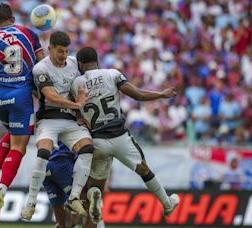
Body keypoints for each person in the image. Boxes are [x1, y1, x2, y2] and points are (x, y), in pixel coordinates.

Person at [71, 47, 180, 226]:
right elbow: (137, 95)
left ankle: (94, 195)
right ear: (97, 61)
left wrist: (79, 118)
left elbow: (71, 109)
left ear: (81, 65)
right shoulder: (112, 74)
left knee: (95, 186)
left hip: (96, 140)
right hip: (120, 138)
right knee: (144, 170)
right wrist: (161, 94)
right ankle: (167, 204)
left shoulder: (76, 84)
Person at [0, 2, 44, 221]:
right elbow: (42, 65)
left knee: (14, 135)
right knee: (19, 146)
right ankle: (2, 189)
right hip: (21, 97)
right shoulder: (28, 33)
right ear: (13, 18)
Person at [21, 31, 93, 220]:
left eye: (66, 51)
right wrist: (76, 105)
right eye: (60, 51)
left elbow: (75, 89)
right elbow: (51, 96)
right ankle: (31, 202)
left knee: (87, 148)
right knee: (43, 154)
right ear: (50, 49)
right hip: (48, 119)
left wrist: (78, 112)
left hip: (69, 119)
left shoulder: (72, 63)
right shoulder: (40, 68)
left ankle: (75, 196)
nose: (63, 55)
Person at [43, 142, 78, 228]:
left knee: (62, 224)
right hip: (62, 163)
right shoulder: (77, 129)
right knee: (85, 205)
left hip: (44, 167)